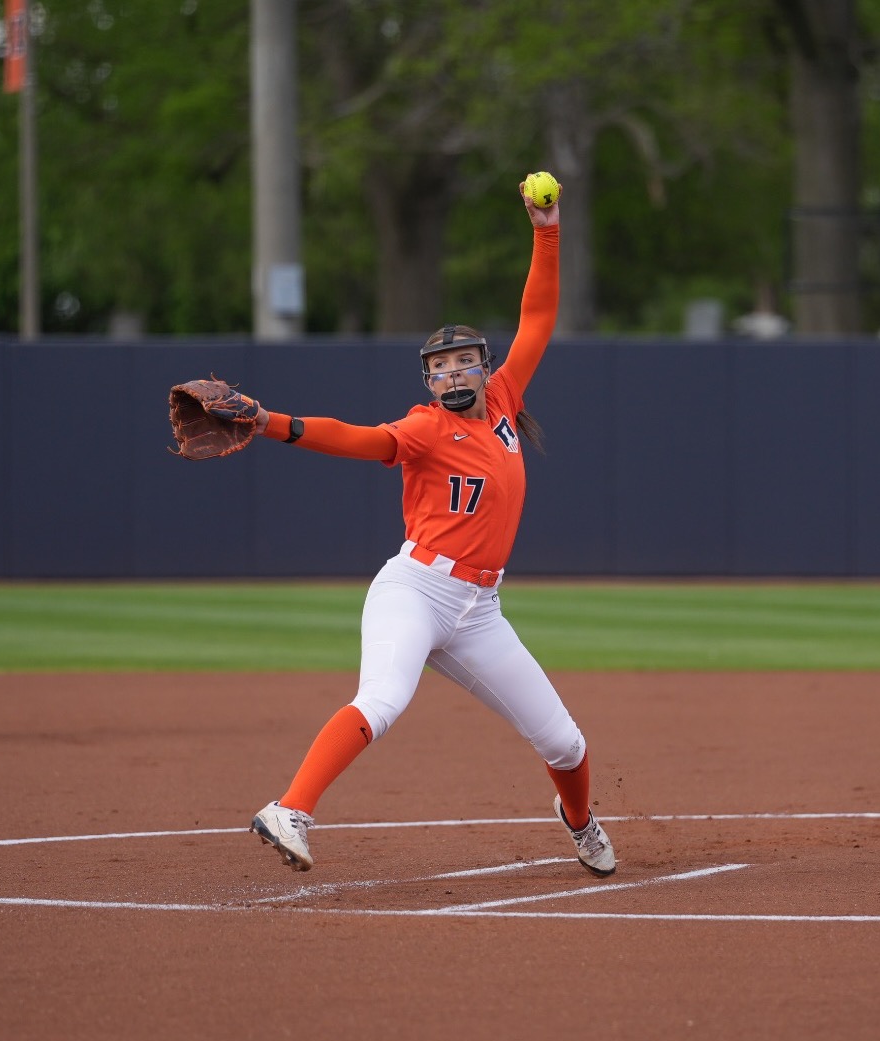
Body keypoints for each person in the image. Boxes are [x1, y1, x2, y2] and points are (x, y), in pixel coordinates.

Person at [236, 179, 615, 877]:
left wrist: (547, 230)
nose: (450, 374)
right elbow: (355, 438)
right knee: (381, 699)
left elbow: (538, 316)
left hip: (480, 610)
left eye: (461, 361)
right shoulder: (423, 427)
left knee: (565, 742)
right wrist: (269, 423)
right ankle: (290, 808)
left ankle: (582, 821)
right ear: (429, 381)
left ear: (483, 365)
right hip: (415, 588)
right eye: (437, 368)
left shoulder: (502, 398)